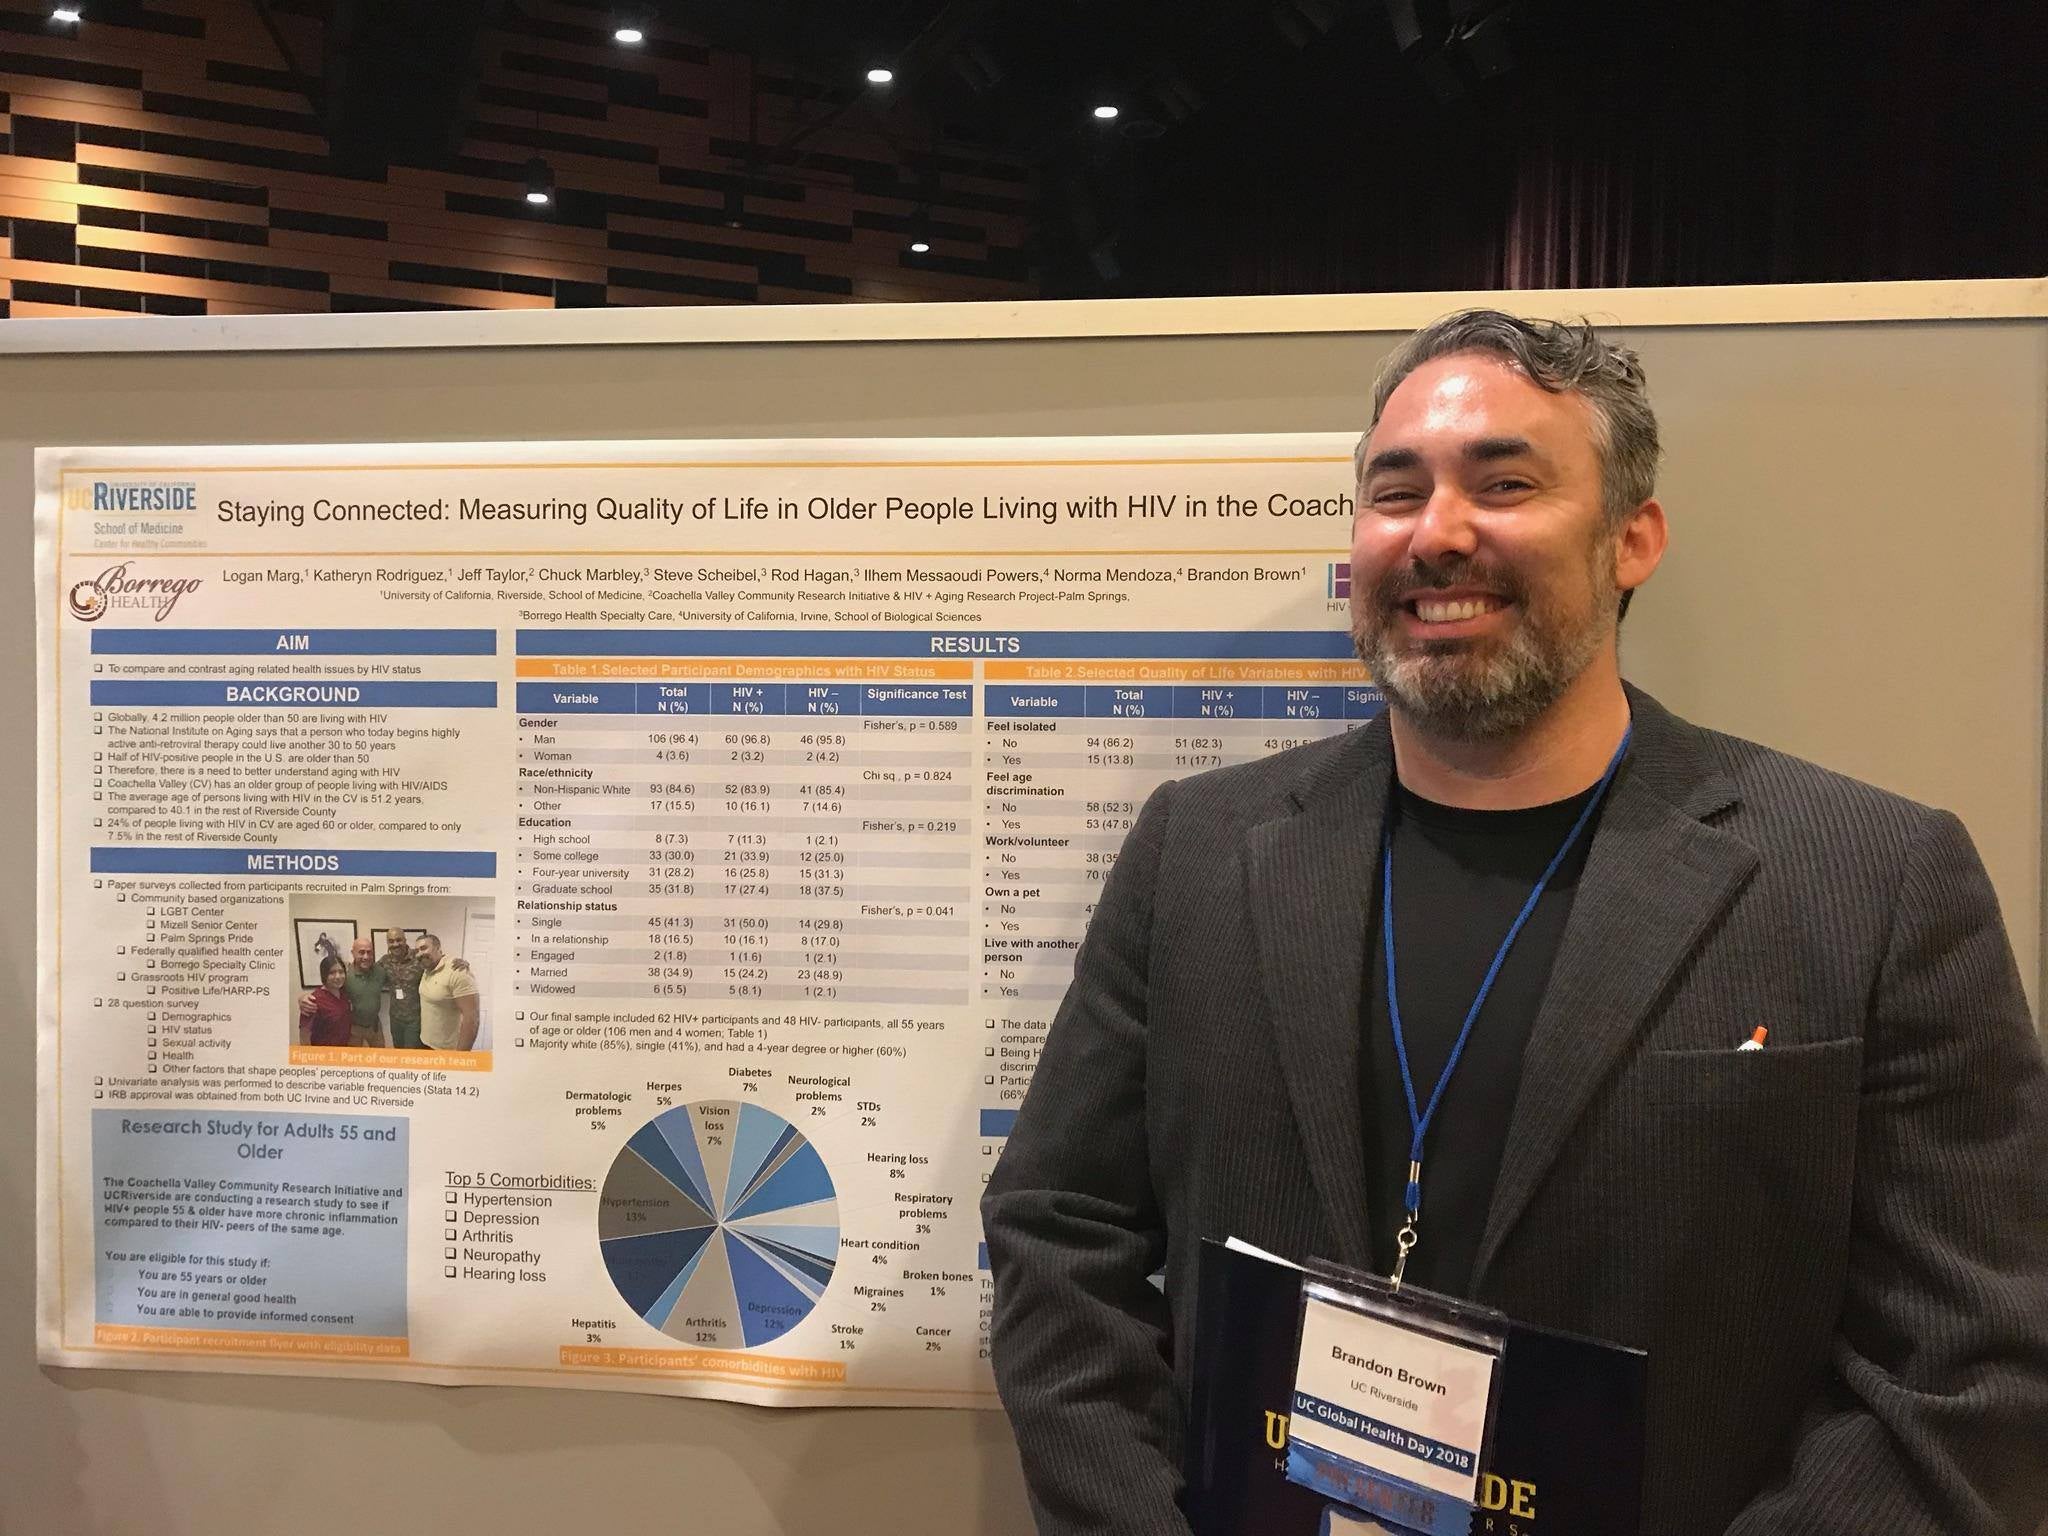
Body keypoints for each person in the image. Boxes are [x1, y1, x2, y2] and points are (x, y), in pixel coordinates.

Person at [983, 311, 2048, 1536]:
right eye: (1395, 492)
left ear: (1630, 539)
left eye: (1503, 484)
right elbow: (1056, 1229)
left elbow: (1971, 1365)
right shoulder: (1198, 852)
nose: (1436, 533)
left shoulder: (1870, 881)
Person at [415, 931, 480, 1052]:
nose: (419, 953)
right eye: (417, 951)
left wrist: (460, 1057)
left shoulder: (457, 971)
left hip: (447, 1049)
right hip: (425, 1041)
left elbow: (472, 1018)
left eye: (424, 948)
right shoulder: (426, 967)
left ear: (438, 948)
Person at [299, 954, 353, 1047]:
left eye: (341, 972)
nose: (338, 976)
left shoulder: (344, 994)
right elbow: (304, 1035)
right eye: (332, 973)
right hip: (324, 1053)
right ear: (324, 975)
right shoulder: (313, 1001)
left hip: (343, 1049)